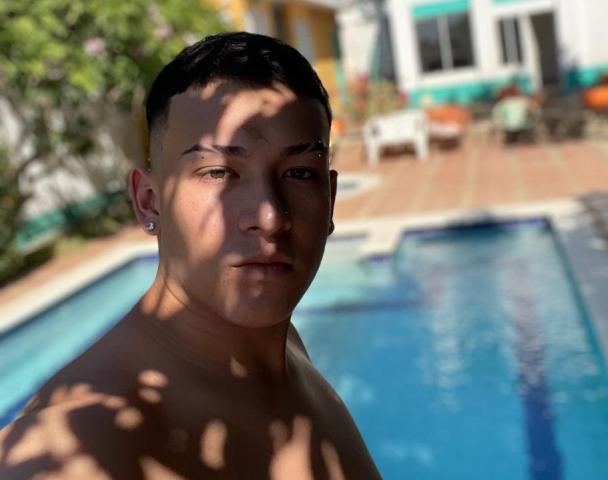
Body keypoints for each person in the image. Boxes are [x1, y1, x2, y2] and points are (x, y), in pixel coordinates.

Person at [0, 32, 382, 479]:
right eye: (218, 172)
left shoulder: (285, 352)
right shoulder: (75, 447)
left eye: (298, 173)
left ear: (330, 198)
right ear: (149, 201)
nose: (269, 216)